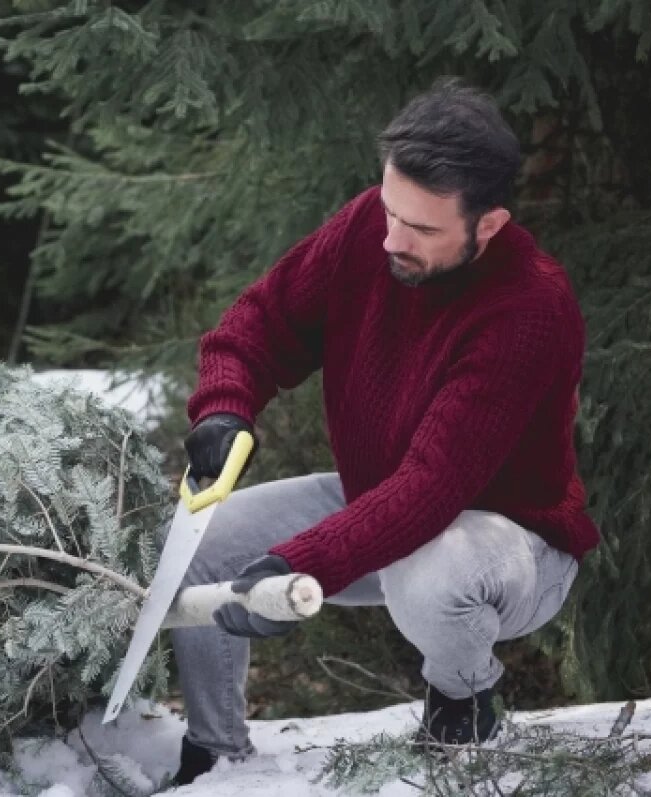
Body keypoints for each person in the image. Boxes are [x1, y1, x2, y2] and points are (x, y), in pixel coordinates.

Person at [170, 79, 601, 786]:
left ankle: (464, 706)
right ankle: (215, 757)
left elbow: (432, 488)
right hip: (376, 502)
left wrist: (299, 563)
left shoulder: (530, 306)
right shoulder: (373, 227)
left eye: (423, 229)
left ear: (487, 225)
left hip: (505, 543)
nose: (392, 239)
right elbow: (258, 323)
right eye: (390, 210)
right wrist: (224, 407)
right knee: (202, 539)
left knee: (434, 574)